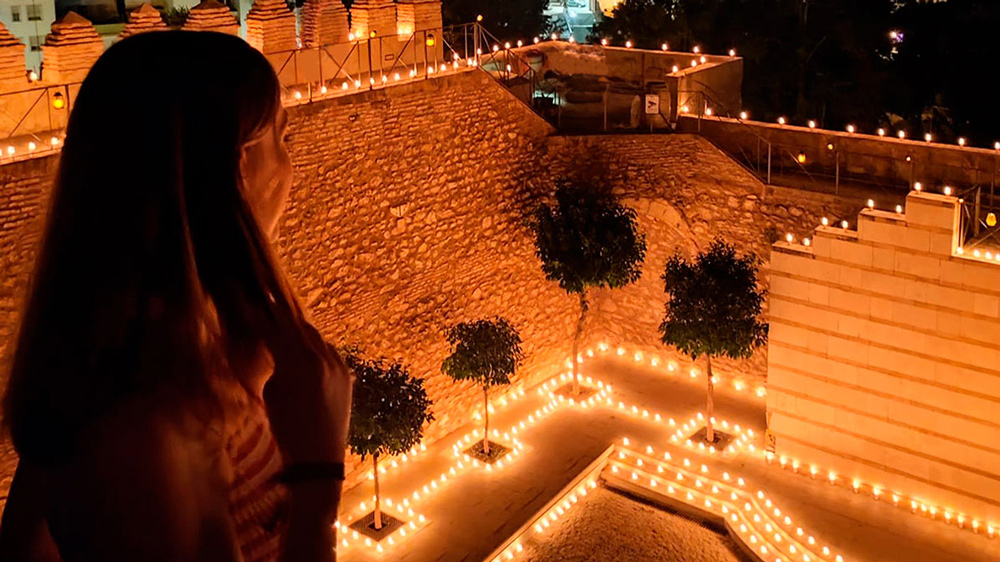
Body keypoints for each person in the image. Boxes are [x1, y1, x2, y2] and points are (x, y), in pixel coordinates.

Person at [0, 31, 353, 562]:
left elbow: (24, 543)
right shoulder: (148, 425)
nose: (290, 167)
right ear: (238, 166)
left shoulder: (107, 361)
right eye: (284, 139)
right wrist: (318, 481)